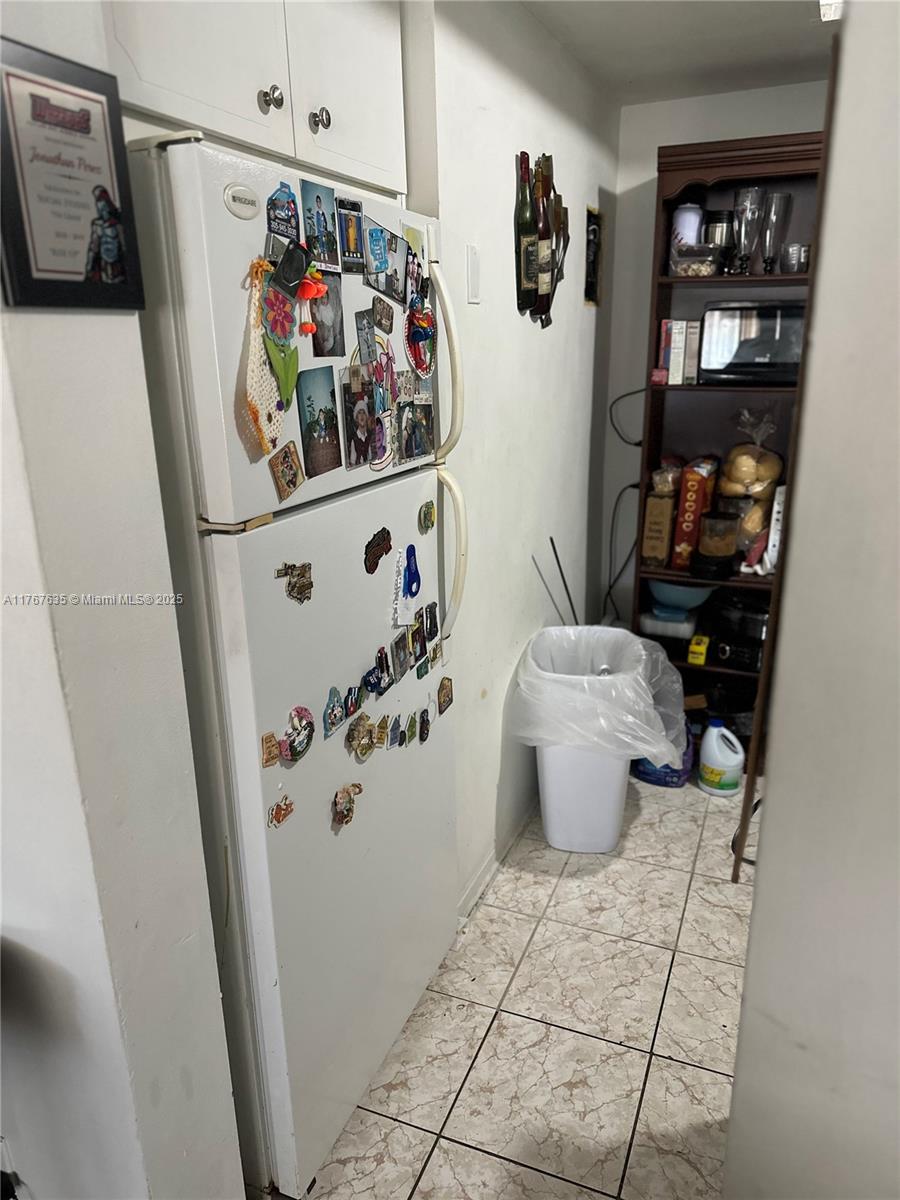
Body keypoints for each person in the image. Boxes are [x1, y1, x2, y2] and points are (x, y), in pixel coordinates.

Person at [85, 185, 126, 283]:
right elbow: (93, 248)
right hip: (104, 266)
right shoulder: (97, 225)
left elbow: (124, 246)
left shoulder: (118, 223)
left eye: (102, 200)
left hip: (118, 266)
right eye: (98, 201)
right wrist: (89, 267)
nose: (101, 206)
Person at [349, 399, 371, 465]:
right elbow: (352, 462)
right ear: (356, 418)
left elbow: (370, 457)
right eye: (359, 413)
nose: (361, 416)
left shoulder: (369, 437)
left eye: (364, 413)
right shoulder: (354, 440)